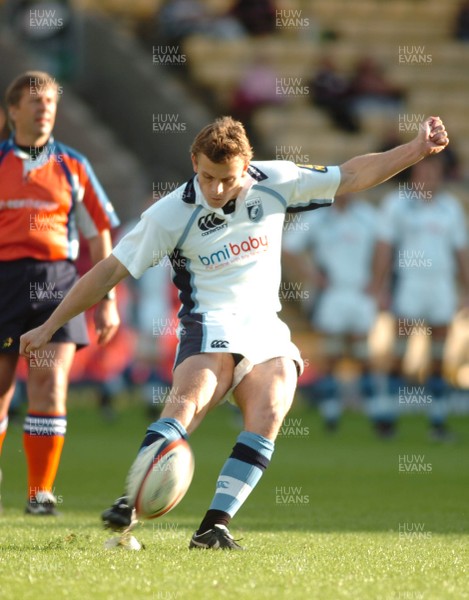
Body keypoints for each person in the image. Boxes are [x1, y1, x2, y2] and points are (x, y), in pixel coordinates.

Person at [20, 115, 448, 548]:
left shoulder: (276, 179)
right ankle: (132, 499)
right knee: (190, 402)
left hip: (265, 326)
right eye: (207, 176)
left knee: (272, 406)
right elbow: (109, 270)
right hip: (210, 323)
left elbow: (353, 174)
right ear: (194, 162)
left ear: (248, 166)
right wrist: (51, 324)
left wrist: (416, 149)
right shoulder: (170, 213)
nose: (216, 189)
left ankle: (213, 527)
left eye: (227, 179)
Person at [0, 71, 120, 514]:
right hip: (4, 279)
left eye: (50, 100)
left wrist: (105, 300)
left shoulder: (74, 166)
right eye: (34, 100)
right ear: (13, 110)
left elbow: (99, 236)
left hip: (57, 283)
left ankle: (40, 495)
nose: (43, 107)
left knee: (50, 385)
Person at [369, 154, 469, 441]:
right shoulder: (397, 205)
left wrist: (466, 289)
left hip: (440, 284)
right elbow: (384, 247)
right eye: (424, 172)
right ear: (414, 174)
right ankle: (386, 416)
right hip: (409, 282)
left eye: (434, 172)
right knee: (400, 352)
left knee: (439, 353)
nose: (428, 178)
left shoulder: (449, 208)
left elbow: (461, 251)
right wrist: (379, 287)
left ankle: (437, 422)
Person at [282, 193, 380, 431]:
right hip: (332, 293)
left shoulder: (368, 215)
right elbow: (288, 247)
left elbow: (385, 246)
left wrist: (378, 280)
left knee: (362, 352)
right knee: (332, 352)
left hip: (360, 291)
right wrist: (313, 276)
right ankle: (331, 413)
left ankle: (377, 414)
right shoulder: (317, 216)